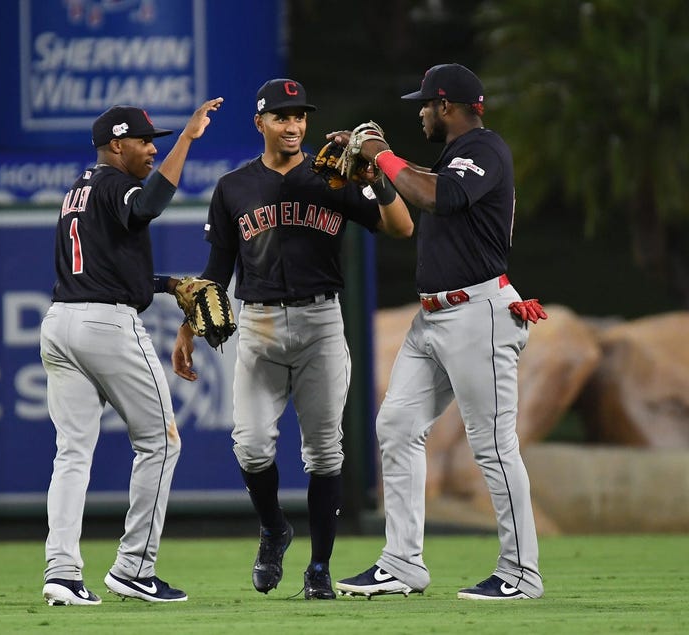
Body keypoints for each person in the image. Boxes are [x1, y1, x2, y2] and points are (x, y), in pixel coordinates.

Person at [171, 78, 413, 600]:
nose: (293, 125)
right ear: (260, 123)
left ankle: (319, 569)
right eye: (281, 116)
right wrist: (187, 327)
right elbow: (216, 269)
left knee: (325, 455)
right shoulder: (233, 187)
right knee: (252, 447)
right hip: (257, 325)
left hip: (322, 321)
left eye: (299, 116)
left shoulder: (333, 176)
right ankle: (274, 528)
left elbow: (402, 228)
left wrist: (375, 179)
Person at [333, 63, 546, 600]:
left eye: (425, 105)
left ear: (446, 106)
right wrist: (375, 171)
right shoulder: (454, 157)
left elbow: (441, 197)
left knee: (494, 447)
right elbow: (424, 191)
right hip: (433, 318)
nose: (421, 113)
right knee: (398, 426)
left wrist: (380, 152)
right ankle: (401, 563)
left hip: (479, 314)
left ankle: (521, 573)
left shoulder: (485, 149)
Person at [40, 97, 223, 606]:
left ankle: (61, 572)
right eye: (145, 141)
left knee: (72, 452)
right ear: (116, 145)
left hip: (60, 324)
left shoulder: (79, 189)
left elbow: (109, 264)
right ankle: (135, 568)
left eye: (158, 142)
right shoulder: (117, 184)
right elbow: (147, 205)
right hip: (105, 325)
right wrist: (187, 139)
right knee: (161, 443)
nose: (151, 149)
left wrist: (165, 284)